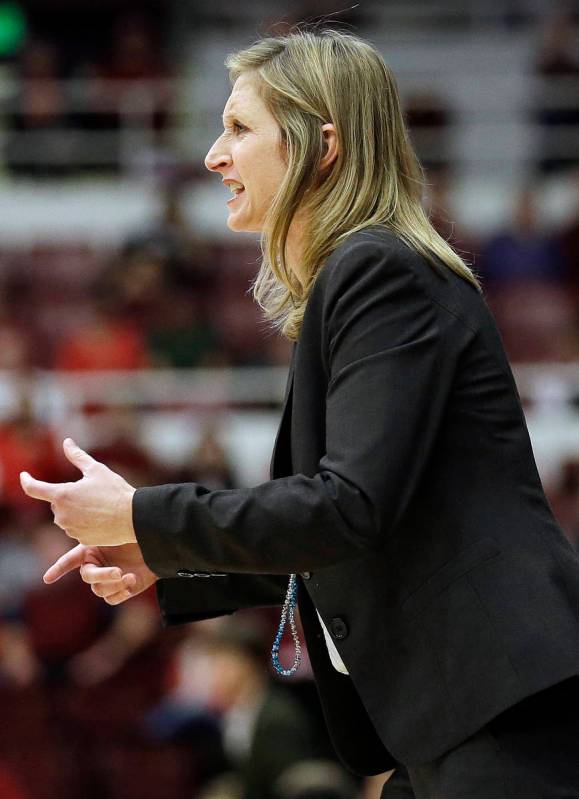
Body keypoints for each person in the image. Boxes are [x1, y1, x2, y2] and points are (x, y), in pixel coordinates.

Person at [19, 27, 579, 799]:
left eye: (239, 128)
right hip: (470, 707)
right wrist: (165, 555)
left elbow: (347, 507)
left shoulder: (378, 269)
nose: (214, 155)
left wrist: (145, 513)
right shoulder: (366, 272)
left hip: (500, 697)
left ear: (323, 146)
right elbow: (347, 527)